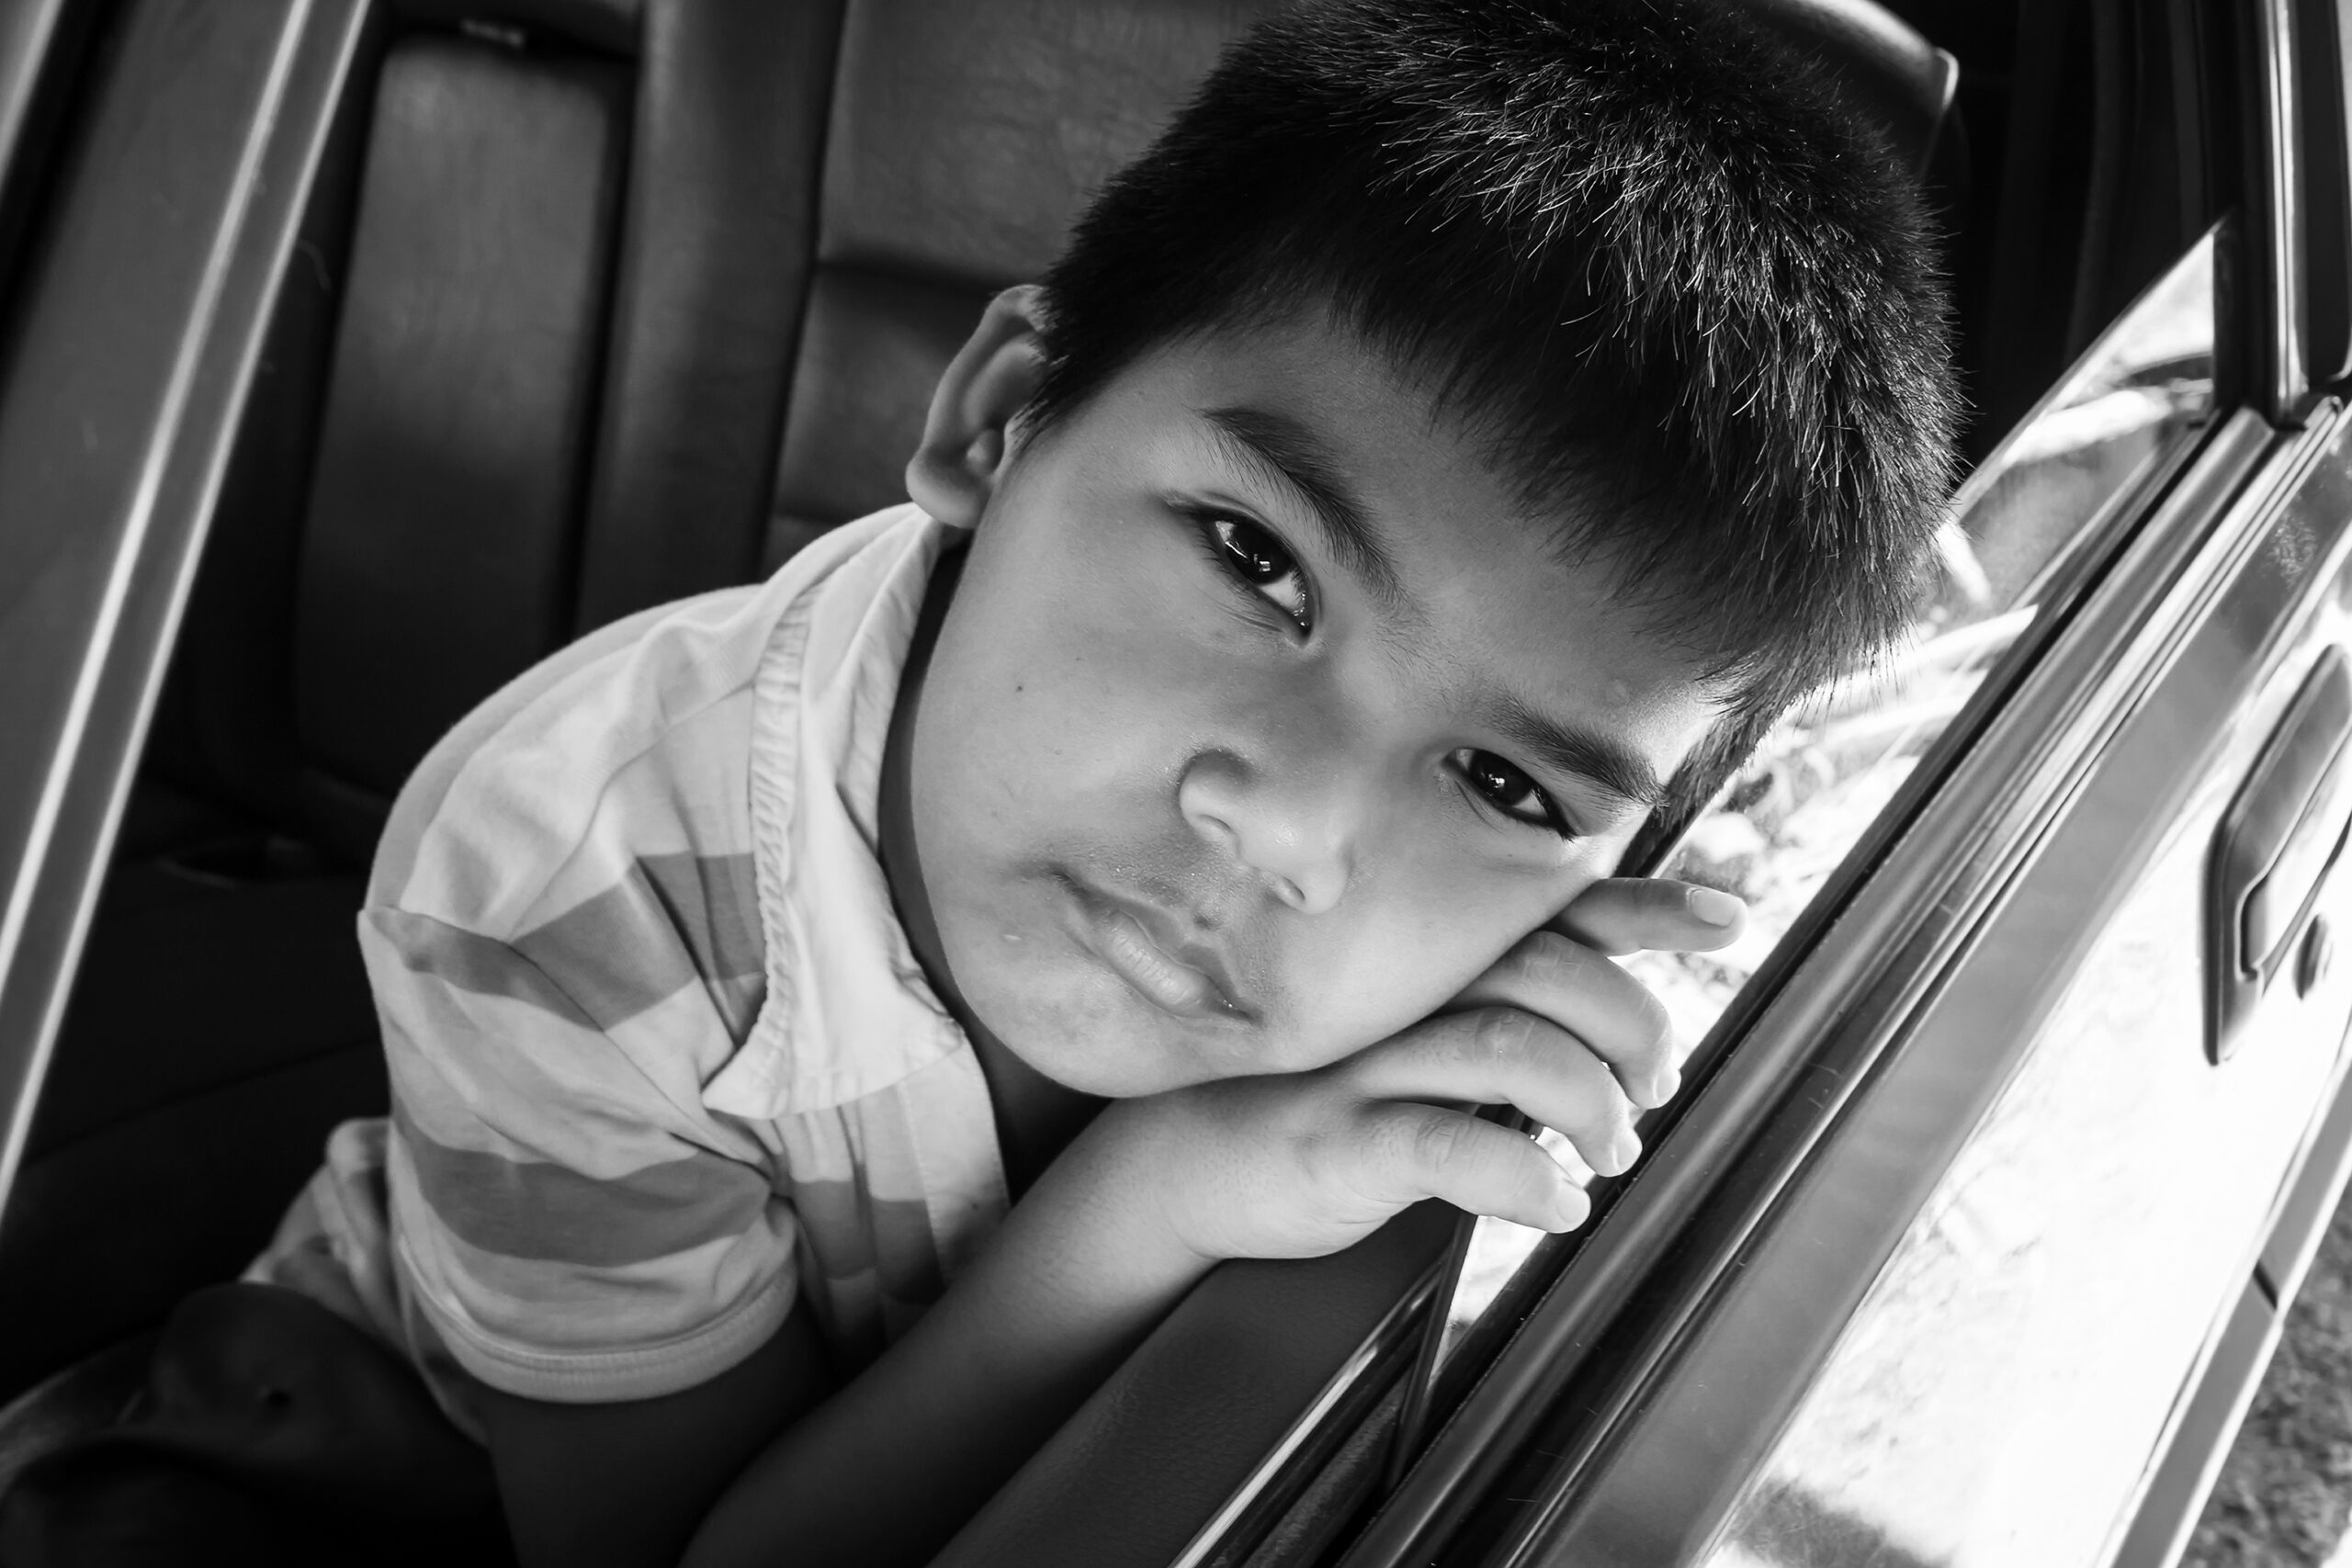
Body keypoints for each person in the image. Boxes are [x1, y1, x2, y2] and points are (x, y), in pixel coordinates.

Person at [217, 0, 1962, 1563]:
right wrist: (1150, 1204)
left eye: (1507, 785)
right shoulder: (566, 889)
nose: (1290, 829)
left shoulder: (1478, 950)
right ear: (1001, 417)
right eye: (1256, 560)